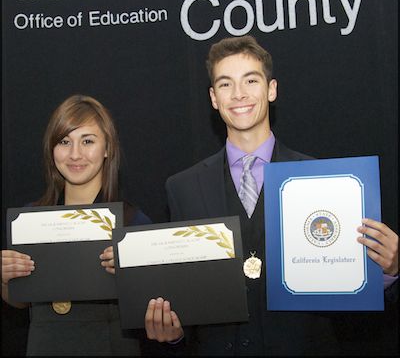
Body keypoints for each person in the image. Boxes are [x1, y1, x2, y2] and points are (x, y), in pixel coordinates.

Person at [144, 35, 399, 355]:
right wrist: (173, 335)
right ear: (213, 97)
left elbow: (349, 308)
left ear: (271, 89)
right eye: (225, 84)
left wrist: (388, 272)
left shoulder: (327, 181)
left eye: (251, 80)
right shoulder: (182, 188)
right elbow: (185, 303)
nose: (238, 94)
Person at [1, 94, 151, 356]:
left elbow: (155, 307)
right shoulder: (29, 219)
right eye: (64, 141)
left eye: (87, 141)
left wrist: (133, 278)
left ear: (107, 148)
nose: (75, 154)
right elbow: (20, 300)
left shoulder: (132, 223)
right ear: (52, 149)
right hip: (44, 346)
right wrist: (5, 280)